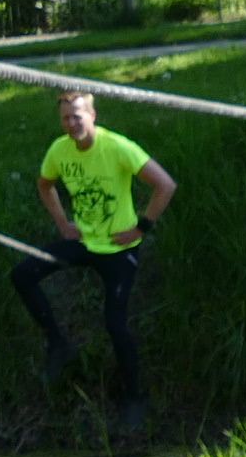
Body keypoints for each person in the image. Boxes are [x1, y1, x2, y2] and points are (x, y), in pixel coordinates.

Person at [16, 90, 174, 432]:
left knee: (115, 324)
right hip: (85, 241)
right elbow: (45, 185)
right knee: (22, 274)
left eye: (77, 116)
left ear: (93, 115)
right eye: (65, 118)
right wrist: (62, 223)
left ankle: (135, 398)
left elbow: (165, 185)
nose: (72, 124)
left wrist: (141, 228)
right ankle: (59, 344)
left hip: (119, 250)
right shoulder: (59, 150)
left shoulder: (117, 147)